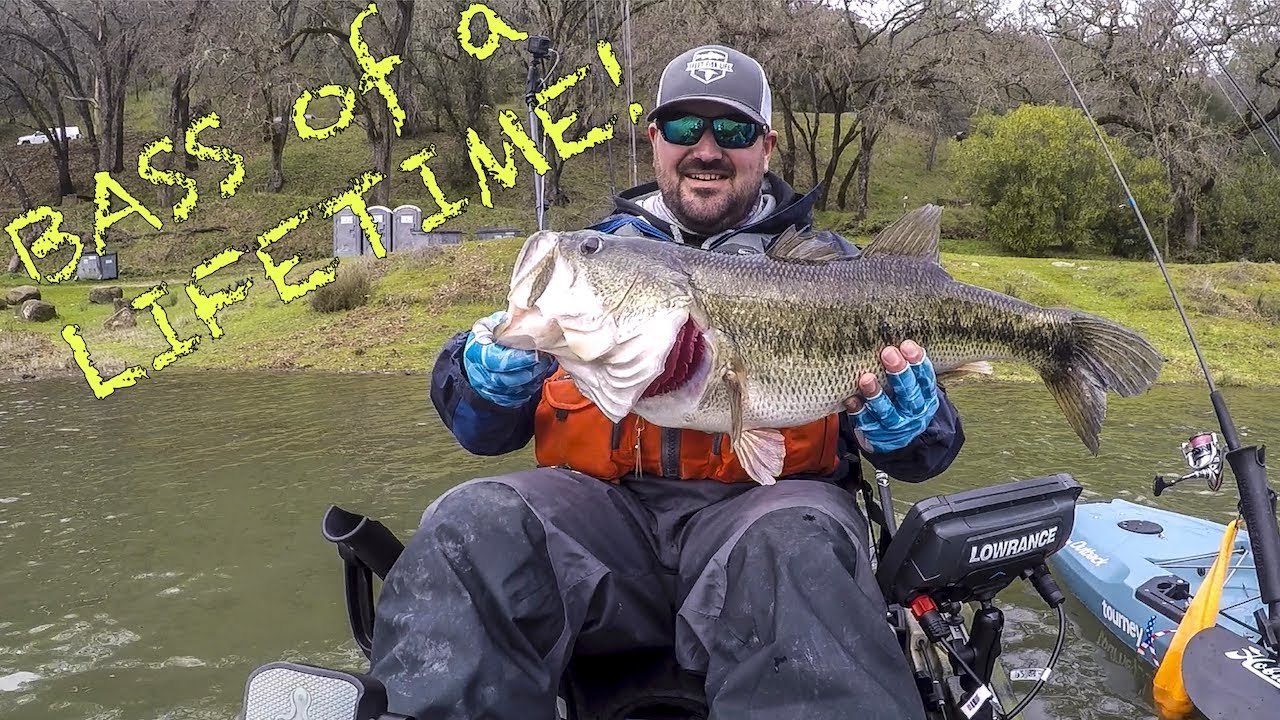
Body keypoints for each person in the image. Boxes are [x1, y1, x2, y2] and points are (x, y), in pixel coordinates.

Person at [370, 45, 965, 720]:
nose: (706, 149)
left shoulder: (840, 274)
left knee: (800, 549)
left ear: (767, 146)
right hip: (600, 532)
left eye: (732, 130)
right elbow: (480, 429)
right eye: (684, 127)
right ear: (654, 139)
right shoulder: (594, 261)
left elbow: (928, 454)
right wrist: (479, 382)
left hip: (767, 522)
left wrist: (914, 429)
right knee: (470, 522)